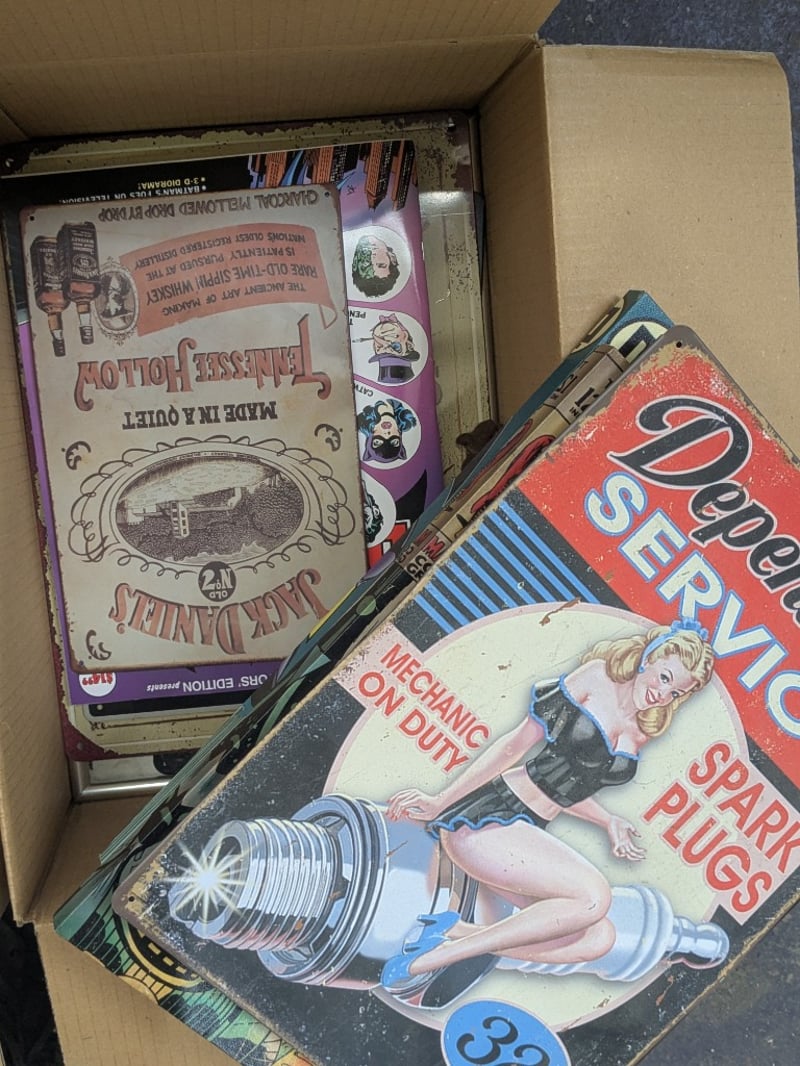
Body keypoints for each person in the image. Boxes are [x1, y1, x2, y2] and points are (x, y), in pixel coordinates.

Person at [382, 618, 715, 992]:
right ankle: (430, 959)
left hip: (522, 837)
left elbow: (565, 790)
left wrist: (607, 821)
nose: (662, 694)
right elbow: (515, 746)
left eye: (675, 692)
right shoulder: (596, 678)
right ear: (648, 658)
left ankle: (457, 934)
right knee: (595, 897)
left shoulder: (641, 730)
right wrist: (441, 801)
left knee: (600, 937)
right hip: (489, 819)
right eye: (664, 678)